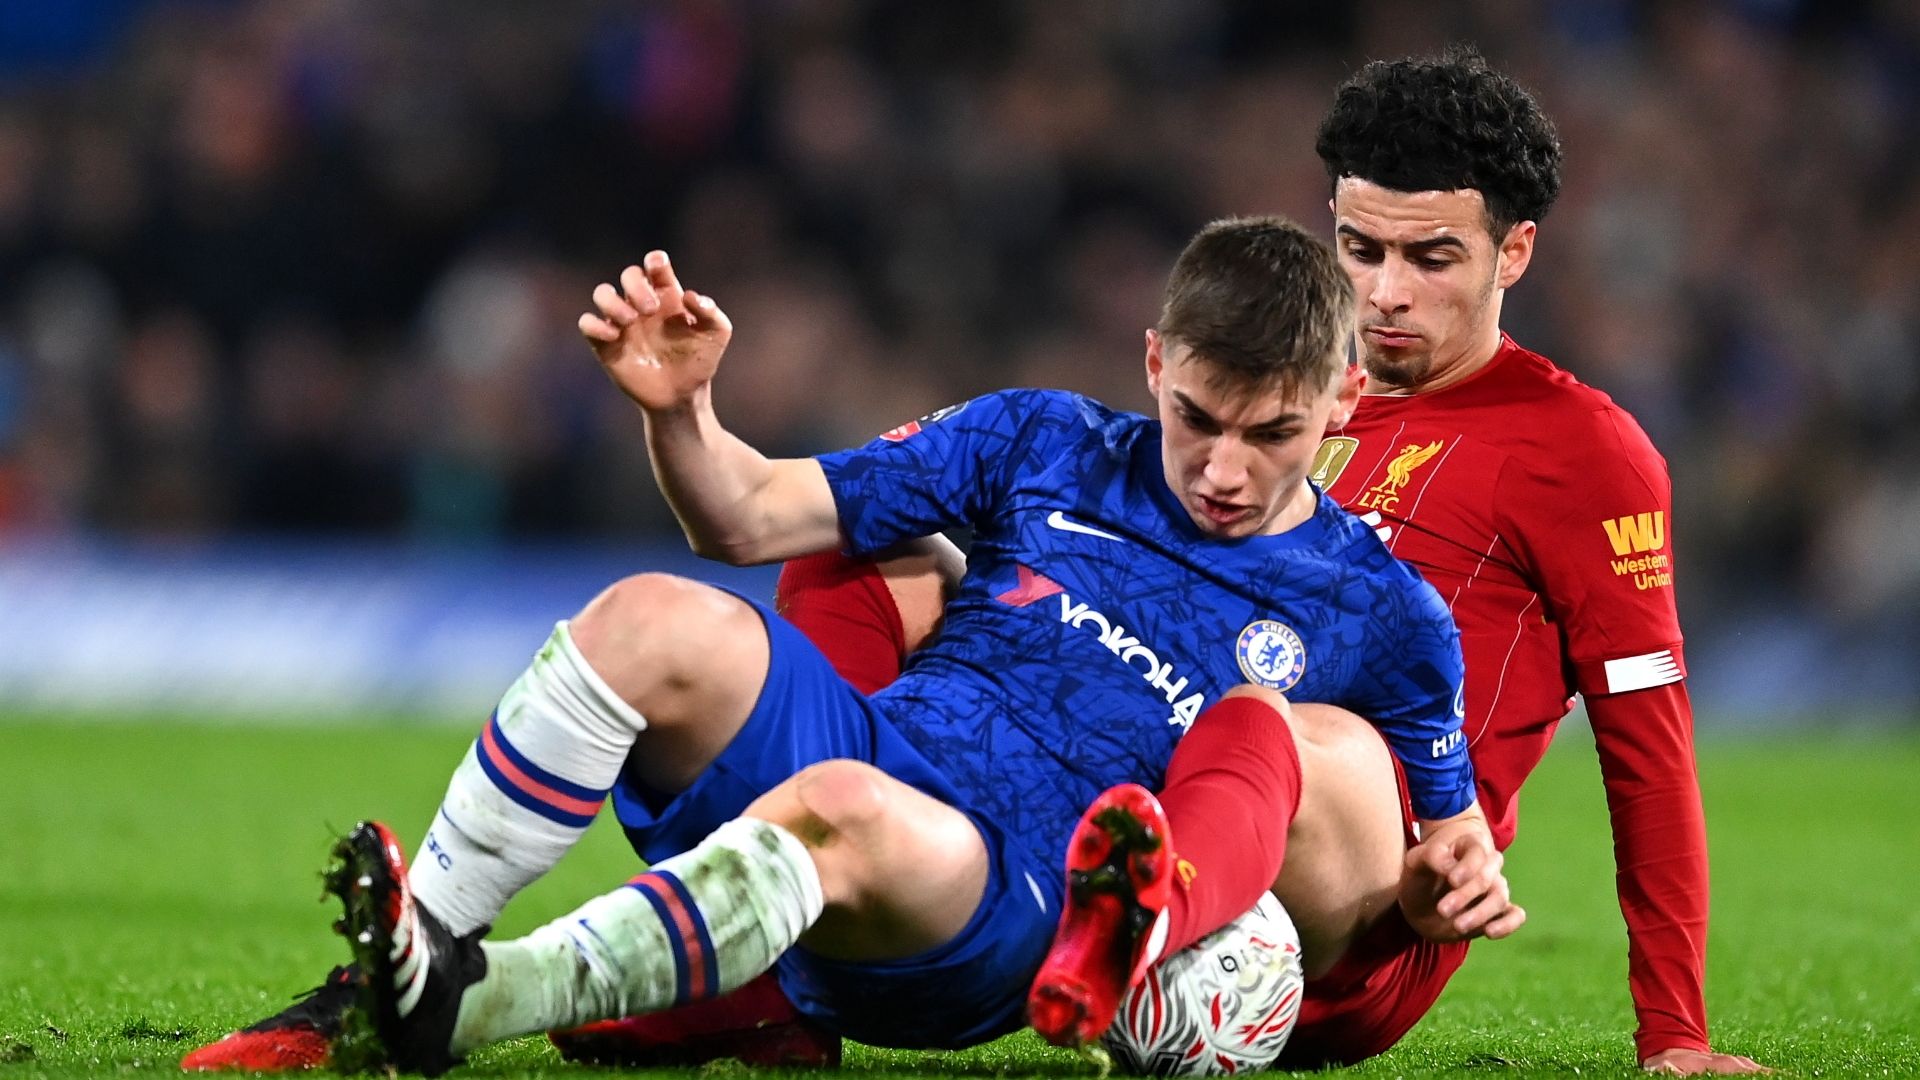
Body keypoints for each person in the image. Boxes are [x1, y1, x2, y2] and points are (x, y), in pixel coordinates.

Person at [209, 218, 1518, 1075]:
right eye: (1196, 418)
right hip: (893, 744)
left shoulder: (1384, 615)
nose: (1225, 469)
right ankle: (396, 977)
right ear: (1154, 358)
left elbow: (1441, 849)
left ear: (1348, 398)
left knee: (854, 807)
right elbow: (751, 515)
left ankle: (476, 1008)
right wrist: (686, 416)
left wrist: (1446, 879)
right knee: (648, 618)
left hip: (1016, 888)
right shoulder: (1042, 438)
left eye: (1273, 435)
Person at [774, 49, 1772, 1076]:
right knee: (858, 541)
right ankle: (793, 931)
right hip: (1143, 777)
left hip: (1371, 894)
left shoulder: (1584, 452)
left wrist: (1676, 1037)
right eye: (1359, 248)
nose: (1385, 293)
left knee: (1276, 718)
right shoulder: (1273, 396)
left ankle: (1126, 920)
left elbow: (1645, 744)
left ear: (1513, 253)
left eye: (1431, 258)